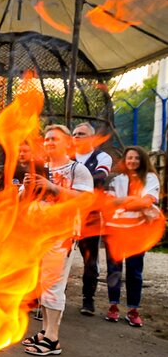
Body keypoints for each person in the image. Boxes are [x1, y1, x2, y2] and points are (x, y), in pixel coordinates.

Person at [21, 125, 93, 356]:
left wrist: (52, 187)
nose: (49, 142)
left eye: (55, 138)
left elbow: (86, 200)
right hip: (37, 233)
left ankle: (52, 339)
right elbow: (22, 198)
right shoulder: (40, 167)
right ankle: (45, 331)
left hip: (60, 235)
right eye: (47, 139)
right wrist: (27, 189)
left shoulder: (77, 170)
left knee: (53, 285)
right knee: (43, 284)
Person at [104, 146, 159, 327]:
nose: (132, 161)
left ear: (142, 160)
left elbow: (146, 200)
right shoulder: (117, 179)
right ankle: (113, 306)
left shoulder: (150, 178)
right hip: (115, 231)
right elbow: (108, 204)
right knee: (114, 271)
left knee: (135, 272)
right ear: (125, 160)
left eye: (136, 158)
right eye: (129, 158)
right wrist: (134, 203)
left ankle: (133, 310)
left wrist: (123, 203)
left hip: (137, 232)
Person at [71, 123, 112, 316]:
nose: (77, 136)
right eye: (75, 134)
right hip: (68, 213)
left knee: (89, 258)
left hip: (91, 215)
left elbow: (100, 178)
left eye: (82, 134)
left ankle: (88, 300)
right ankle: (51, 296)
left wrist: (74, 184)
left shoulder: (102, 157)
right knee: (58, 256)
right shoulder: (68, 157)